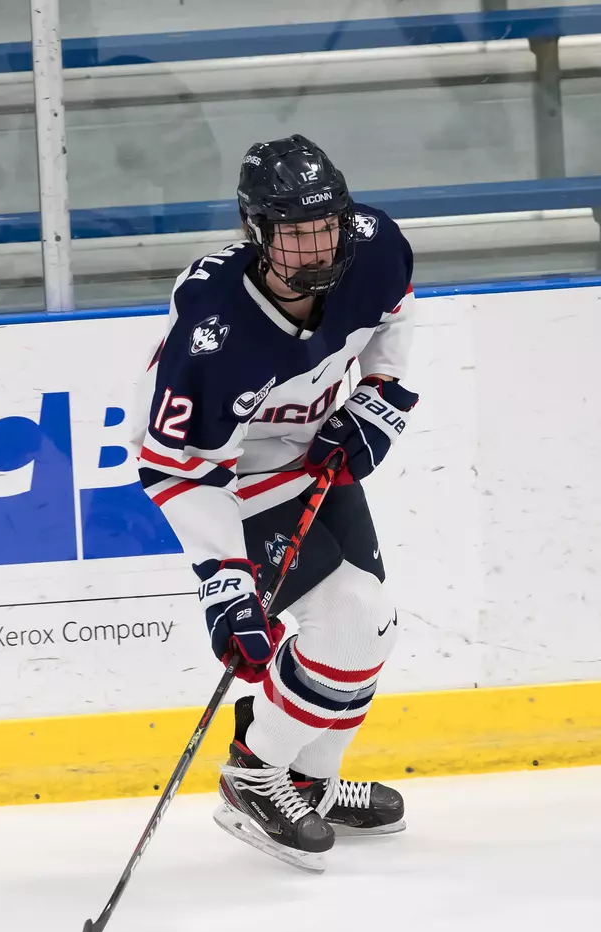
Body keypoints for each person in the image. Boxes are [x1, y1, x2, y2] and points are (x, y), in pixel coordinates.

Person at [132, 134, 418, 871]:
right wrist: (223, 580)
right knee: (349, 616)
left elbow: (392, 317)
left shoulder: (375, 245)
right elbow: (179, 472)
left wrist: (378, 397)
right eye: (293, 234)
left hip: (311, 444)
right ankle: (254, 775)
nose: (316, 246)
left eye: (324, 226)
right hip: (231, 469)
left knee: (370, 626)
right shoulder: (213, 332)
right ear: (254, 232)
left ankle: (307, 783)